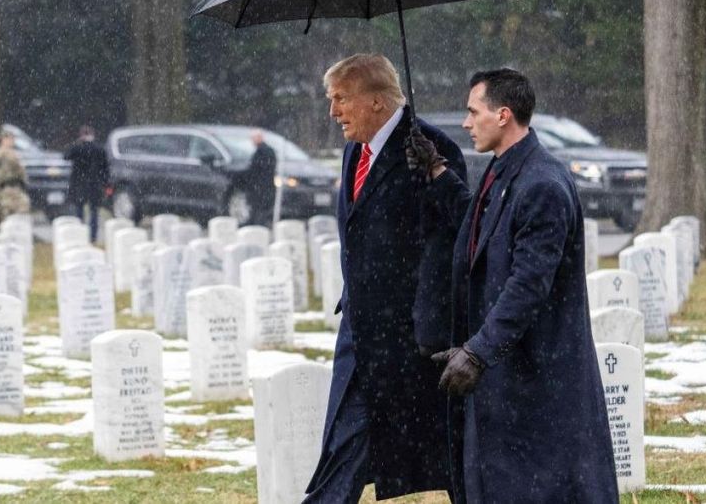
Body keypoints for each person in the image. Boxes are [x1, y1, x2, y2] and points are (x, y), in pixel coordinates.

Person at [423, 68, 619, 503]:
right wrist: (436, 172)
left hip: (538, 379)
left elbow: (528, 286)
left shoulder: (542, 184)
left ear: (504, 115)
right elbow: (480, 231)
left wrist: (477, 352)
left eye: (473, 112)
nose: (466, 123)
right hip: (509, 379)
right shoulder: (505, 170)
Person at [304, 54, 467, 503]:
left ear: (376, 101)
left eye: (341, 99)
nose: (333, 111)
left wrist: (434, 173)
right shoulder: (354, 149)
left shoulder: (431, 149)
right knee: (342, 441)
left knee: (444, 456)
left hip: (408, 339)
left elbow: (454, 232)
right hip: (360, 330)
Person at [64, 125, 109, 241]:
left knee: (79, 210)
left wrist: (76, 143)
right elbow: (105, 169)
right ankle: (92, 236)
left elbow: (66, 156)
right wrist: (105, 183)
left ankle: (80, 235)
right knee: (94, 211)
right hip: (95, 184)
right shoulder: (99, 149)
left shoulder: (77, 148)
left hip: (79, 184)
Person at [239, 130, 277, 226]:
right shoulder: (268, 151)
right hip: (265, 186)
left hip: (260, 187)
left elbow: (256, 170)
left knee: (258, 209)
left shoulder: (261, 152)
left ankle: (257, 224)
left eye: (253, 138)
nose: (252, 141)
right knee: (261, 210)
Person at [0, 130, 30, 219]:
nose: (12, 141)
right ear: (4, 139)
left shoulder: (11, 152)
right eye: (10, 139)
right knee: (10, 209)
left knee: (21, 208)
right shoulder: (2, 153)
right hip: (8, 186)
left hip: (16, 186)